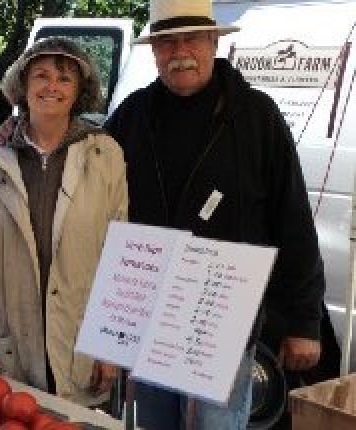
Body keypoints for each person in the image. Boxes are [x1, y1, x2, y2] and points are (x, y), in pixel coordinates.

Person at [104, 0, 325, 428]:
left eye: (191, 38)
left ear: (212, 43)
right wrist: (16, 129)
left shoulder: (258, 117)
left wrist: (305, 321)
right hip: (151, 318)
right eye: (167, 42)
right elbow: (82, 167)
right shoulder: (131, 116)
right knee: (154, 425)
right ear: (154, 52)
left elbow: (294, 219)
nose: (179, 50)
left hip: (225, 323)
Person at [0, 37, 128, 407]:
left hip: (80, 349)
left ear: (80, 90)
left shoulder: (105, 155)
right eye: (40, 75)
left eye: (64, 78)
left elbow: (119, 255)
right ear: (22, 87)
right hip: (5, 354)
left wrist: (113, 343)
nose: (51, 86)